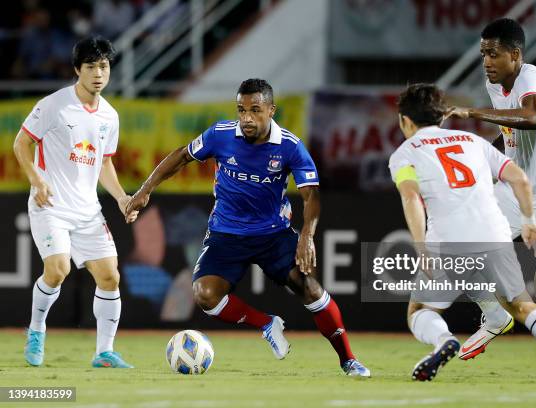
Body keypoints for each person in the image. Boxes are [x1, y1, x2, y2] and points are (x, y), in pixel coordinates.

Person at [125, 78, 370, 377]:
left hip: (273, 234)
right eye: (241, 110)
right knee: (205, 295)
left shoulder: (291, 147)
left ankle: (349, 359)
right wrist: (145, 190)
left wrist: (307, 236)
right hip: (226, 233)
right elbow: (181, 155)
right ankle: (267, 324)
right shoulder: (221, 134)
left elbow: (311, 195)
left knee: (309, 287)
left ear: (271, 110)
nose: (247, 118)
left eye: (255, 110)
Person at [389, 83, 536, 383]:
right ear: (442, 117)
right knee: (524, 305)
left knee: (419, 311)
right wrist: (528, 221)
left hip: (448, 240)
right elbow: (519, 179)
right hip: (494, 233)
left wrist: (421, 247)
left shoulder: (403, 154)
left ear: (405, 121)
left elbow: (411, 197)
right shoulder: (472, 141)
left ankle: (443, 341)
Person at [447, 18, 536, 378]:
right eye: (482, 54)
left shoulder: (531, 79)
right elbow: (510, 135)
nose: (486, 62)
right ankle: (496, 315)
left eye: (493, 54)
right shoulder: (495, 83)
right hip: (516, 189)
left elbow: (530, 117)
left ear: (515, 54)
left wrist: (472, 113)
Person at [14, 35, 138, 368]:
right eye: (91, 67)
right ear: (76, 70)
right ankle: (37, 330)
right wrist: (36, 179)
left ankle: (104, 353)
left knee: (110, 277)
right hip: (50, 204)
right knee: (58, 269)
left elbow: (105, 163)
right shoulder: (53, 105)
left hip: (88, 211)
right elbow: (21, 144)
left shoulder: (109, 116)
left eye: (104, 66)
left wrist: (122, 196)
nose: (99, 73)